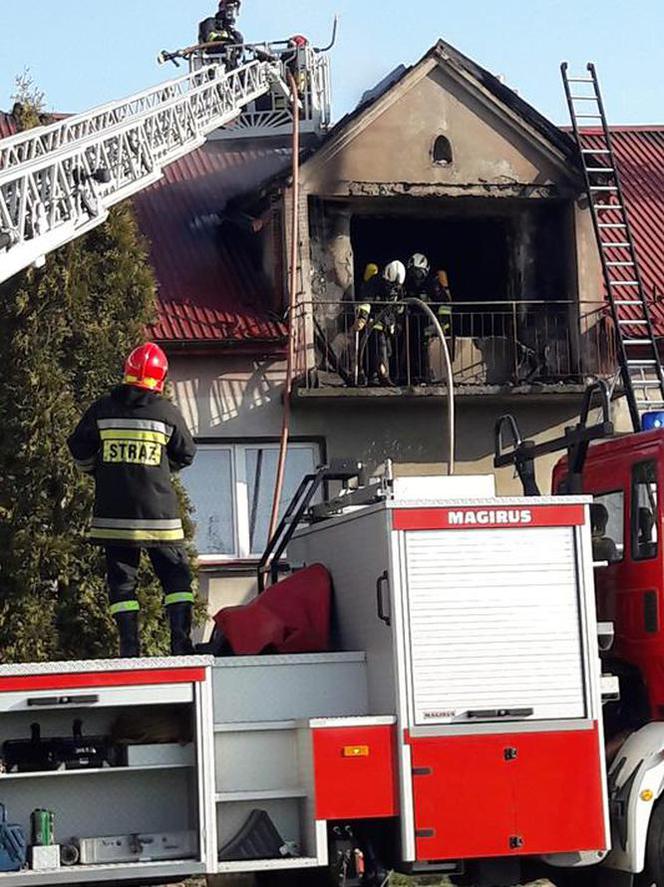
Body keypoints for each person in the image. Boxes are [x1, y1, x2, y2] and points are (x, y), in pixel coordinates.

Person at [68, 343, 197, 658]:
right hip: (160, 519)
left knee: (123, 585)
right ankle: (180, 645)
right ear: (160, 380)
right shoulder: (166, 412)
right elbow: (187, 453)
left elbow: (79, 448)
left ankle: (129, 650)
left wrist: (97, 471)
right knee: (176, 579)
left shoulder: (102, 409)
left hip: (114, 518)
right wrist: (162, 469)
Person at [403, 253, 453, 383]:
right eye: (413, 272)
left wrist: (443, 324)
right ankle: (410, 377)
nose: (415, 276)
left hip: (428, 323)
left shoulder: (432, 284)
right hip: (411, 323)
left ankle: (424, 376)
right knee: (409, 350)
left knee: (424, 351)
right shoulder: (407, 285)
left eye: (418, 272)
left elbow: (445, 303)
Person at [366, 260, 406, 386]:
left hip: (388, 323)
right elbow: (366, 300)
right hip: (375, 321)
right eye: (391, 285)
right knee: (380, 347)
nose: (393, 288)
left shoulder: (398, 288)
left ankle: (376, 376)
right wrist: (363, 317)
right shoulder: (375, 283)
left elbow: (399, 307)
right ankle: (383, 377)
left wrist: (396, 324)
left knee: (387, 351)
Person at [198, 0, 244, 67]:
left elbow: (239, 54)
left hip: (231, 68)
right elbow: (210, 39)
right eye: (229, 7)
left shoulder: (234, 34)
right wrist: (228, 41)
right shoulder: (210, 23)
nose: (231, 11)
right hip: (212, 64)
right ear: (221, 7)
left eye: (234, 8)